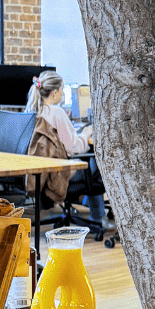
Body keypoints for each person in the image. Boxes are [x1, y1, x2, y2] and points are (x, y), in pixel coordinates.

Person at [26, 70, 104, 226]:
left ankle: (90, 206)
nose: (62, 93)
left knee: (91, 162)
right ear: (54, 92)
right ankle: (98, 218)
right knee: (98, 162)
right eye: (62, 89)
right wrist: (86, 133)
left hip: (43, 173)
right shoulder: (56, 113)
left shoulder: (32, 110)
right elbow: (75, 147)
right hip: (60, 173)